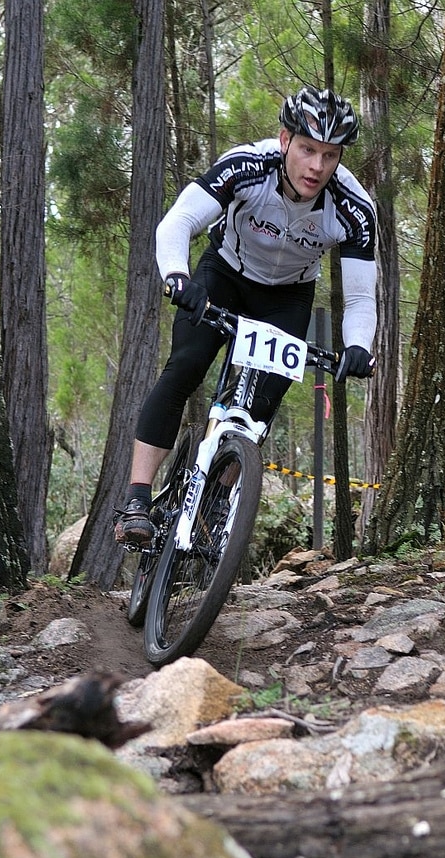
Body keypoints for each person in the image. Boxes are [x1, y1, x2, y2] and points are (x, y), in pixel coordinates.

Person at [114, 85, 377, 545]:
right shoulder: (246, 167)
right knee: (187, 365)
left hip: (288, 296)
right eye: (308, 149)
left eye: (330, 155)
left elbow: (358, 298)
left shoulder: (354, 209)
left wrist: (358, 347)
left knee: (262, 403)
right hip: (225, 275)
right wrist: (177, 276)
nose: (317, 166)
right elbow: (178, 221)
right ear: (284, 140)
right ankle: (137, 499)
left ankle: (217, 500)